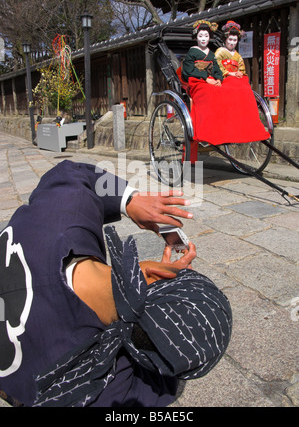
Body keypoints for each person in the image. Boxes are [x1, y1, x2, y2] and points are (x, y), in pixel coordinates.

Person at [0, 160, 232, 407]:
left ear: (154, 271)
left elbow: (69, 173)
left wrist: (129, 201)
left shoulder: (60, 218)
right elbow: (161, 386)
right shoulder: (98, 387)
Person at [181, 19, 270, 147]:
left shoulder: (211, 54)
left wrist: (218, 79)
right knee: (208, 94)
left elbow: (216, 68)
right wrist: (206, 77)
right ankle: (206, 132)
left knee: (223, 91)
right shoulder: (192, 52)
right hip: (197, 80)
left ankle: (228, 128)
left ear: (210, 37)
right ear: (196, 37)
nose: (203, 39)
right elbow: (188, 70)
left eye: (206, 36)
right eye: (200, 36)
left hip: (211, 80)